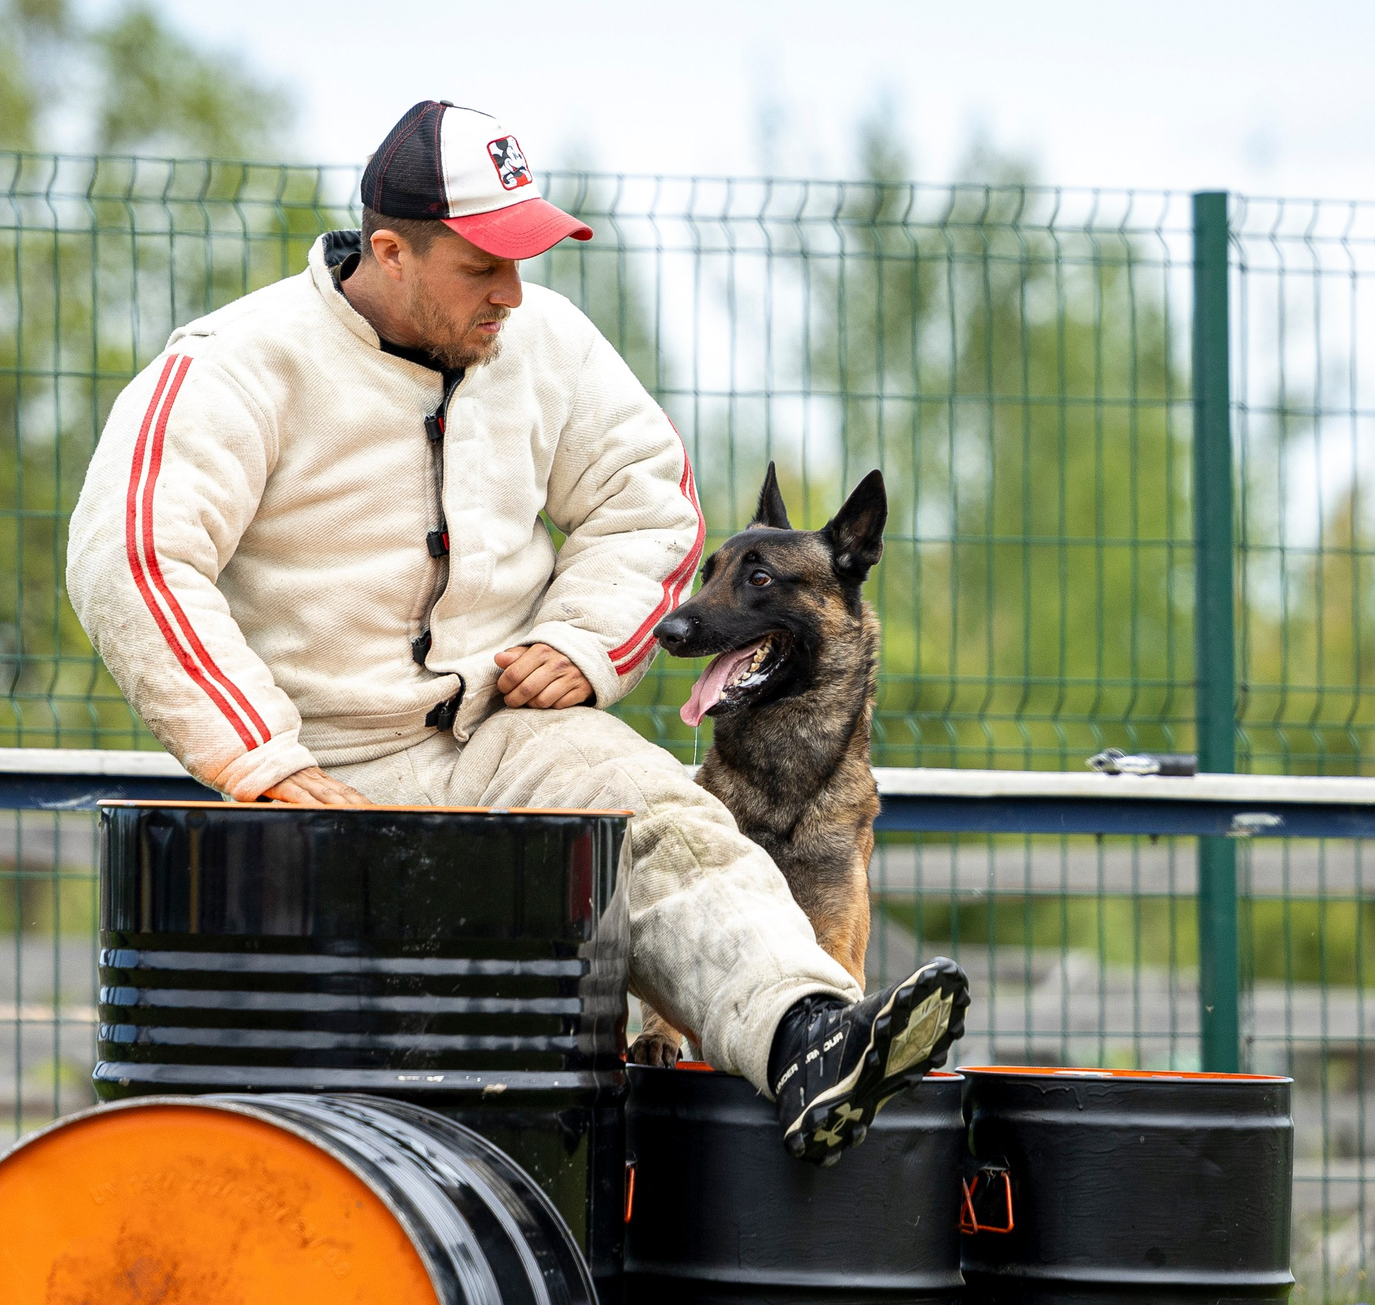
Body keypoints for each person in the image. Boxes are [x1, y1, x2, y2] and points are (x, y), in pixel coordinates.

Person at [66, 99, 967, 1163]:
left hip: (504, 724)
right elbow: (132, 554)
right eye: (481, 267)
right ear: (390, 252)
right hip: (327, 757)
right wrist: (259, 755)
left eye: (522, 259)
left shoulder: (544, 342)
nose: (511, 294)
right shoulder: (234, 362)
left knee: (665, 820)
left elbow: (648, 498)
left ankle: (810, 1036)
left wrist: (584, 641)